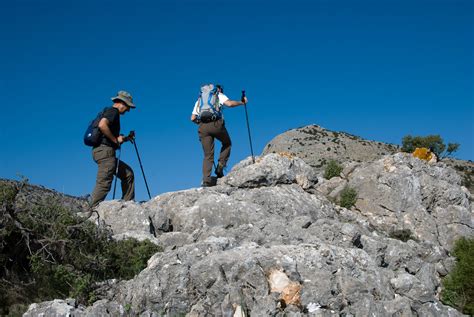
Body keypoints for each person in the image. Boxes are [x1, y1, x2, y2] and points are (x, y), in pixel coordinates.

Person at [191, 84, 248, 187]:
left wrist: (202, 125)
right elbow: (229, 104)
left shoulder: (199, 100)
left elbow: (193, 118)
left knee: (208, 156)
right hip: (216, 124)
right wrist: (242, 102)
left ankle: (206, 181)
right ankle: (220, 167)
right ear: (219, 90)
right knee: (227, 143)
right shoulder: (218, 95)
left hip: (203, 127)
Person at [90, 91, 136, 207]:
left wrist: (125, 138)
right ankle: (89, 211)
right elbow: (102, 125)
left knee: (128, 174)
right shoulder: (113, 111)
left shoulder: (109, 112)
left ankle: (127, 204)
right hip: (105, 152)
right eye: (128, 107)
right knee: (104, 183)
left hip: (104, 151)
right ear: (122, 103)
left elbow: (113, 137)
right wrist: (115, 140)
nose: (128, 110)